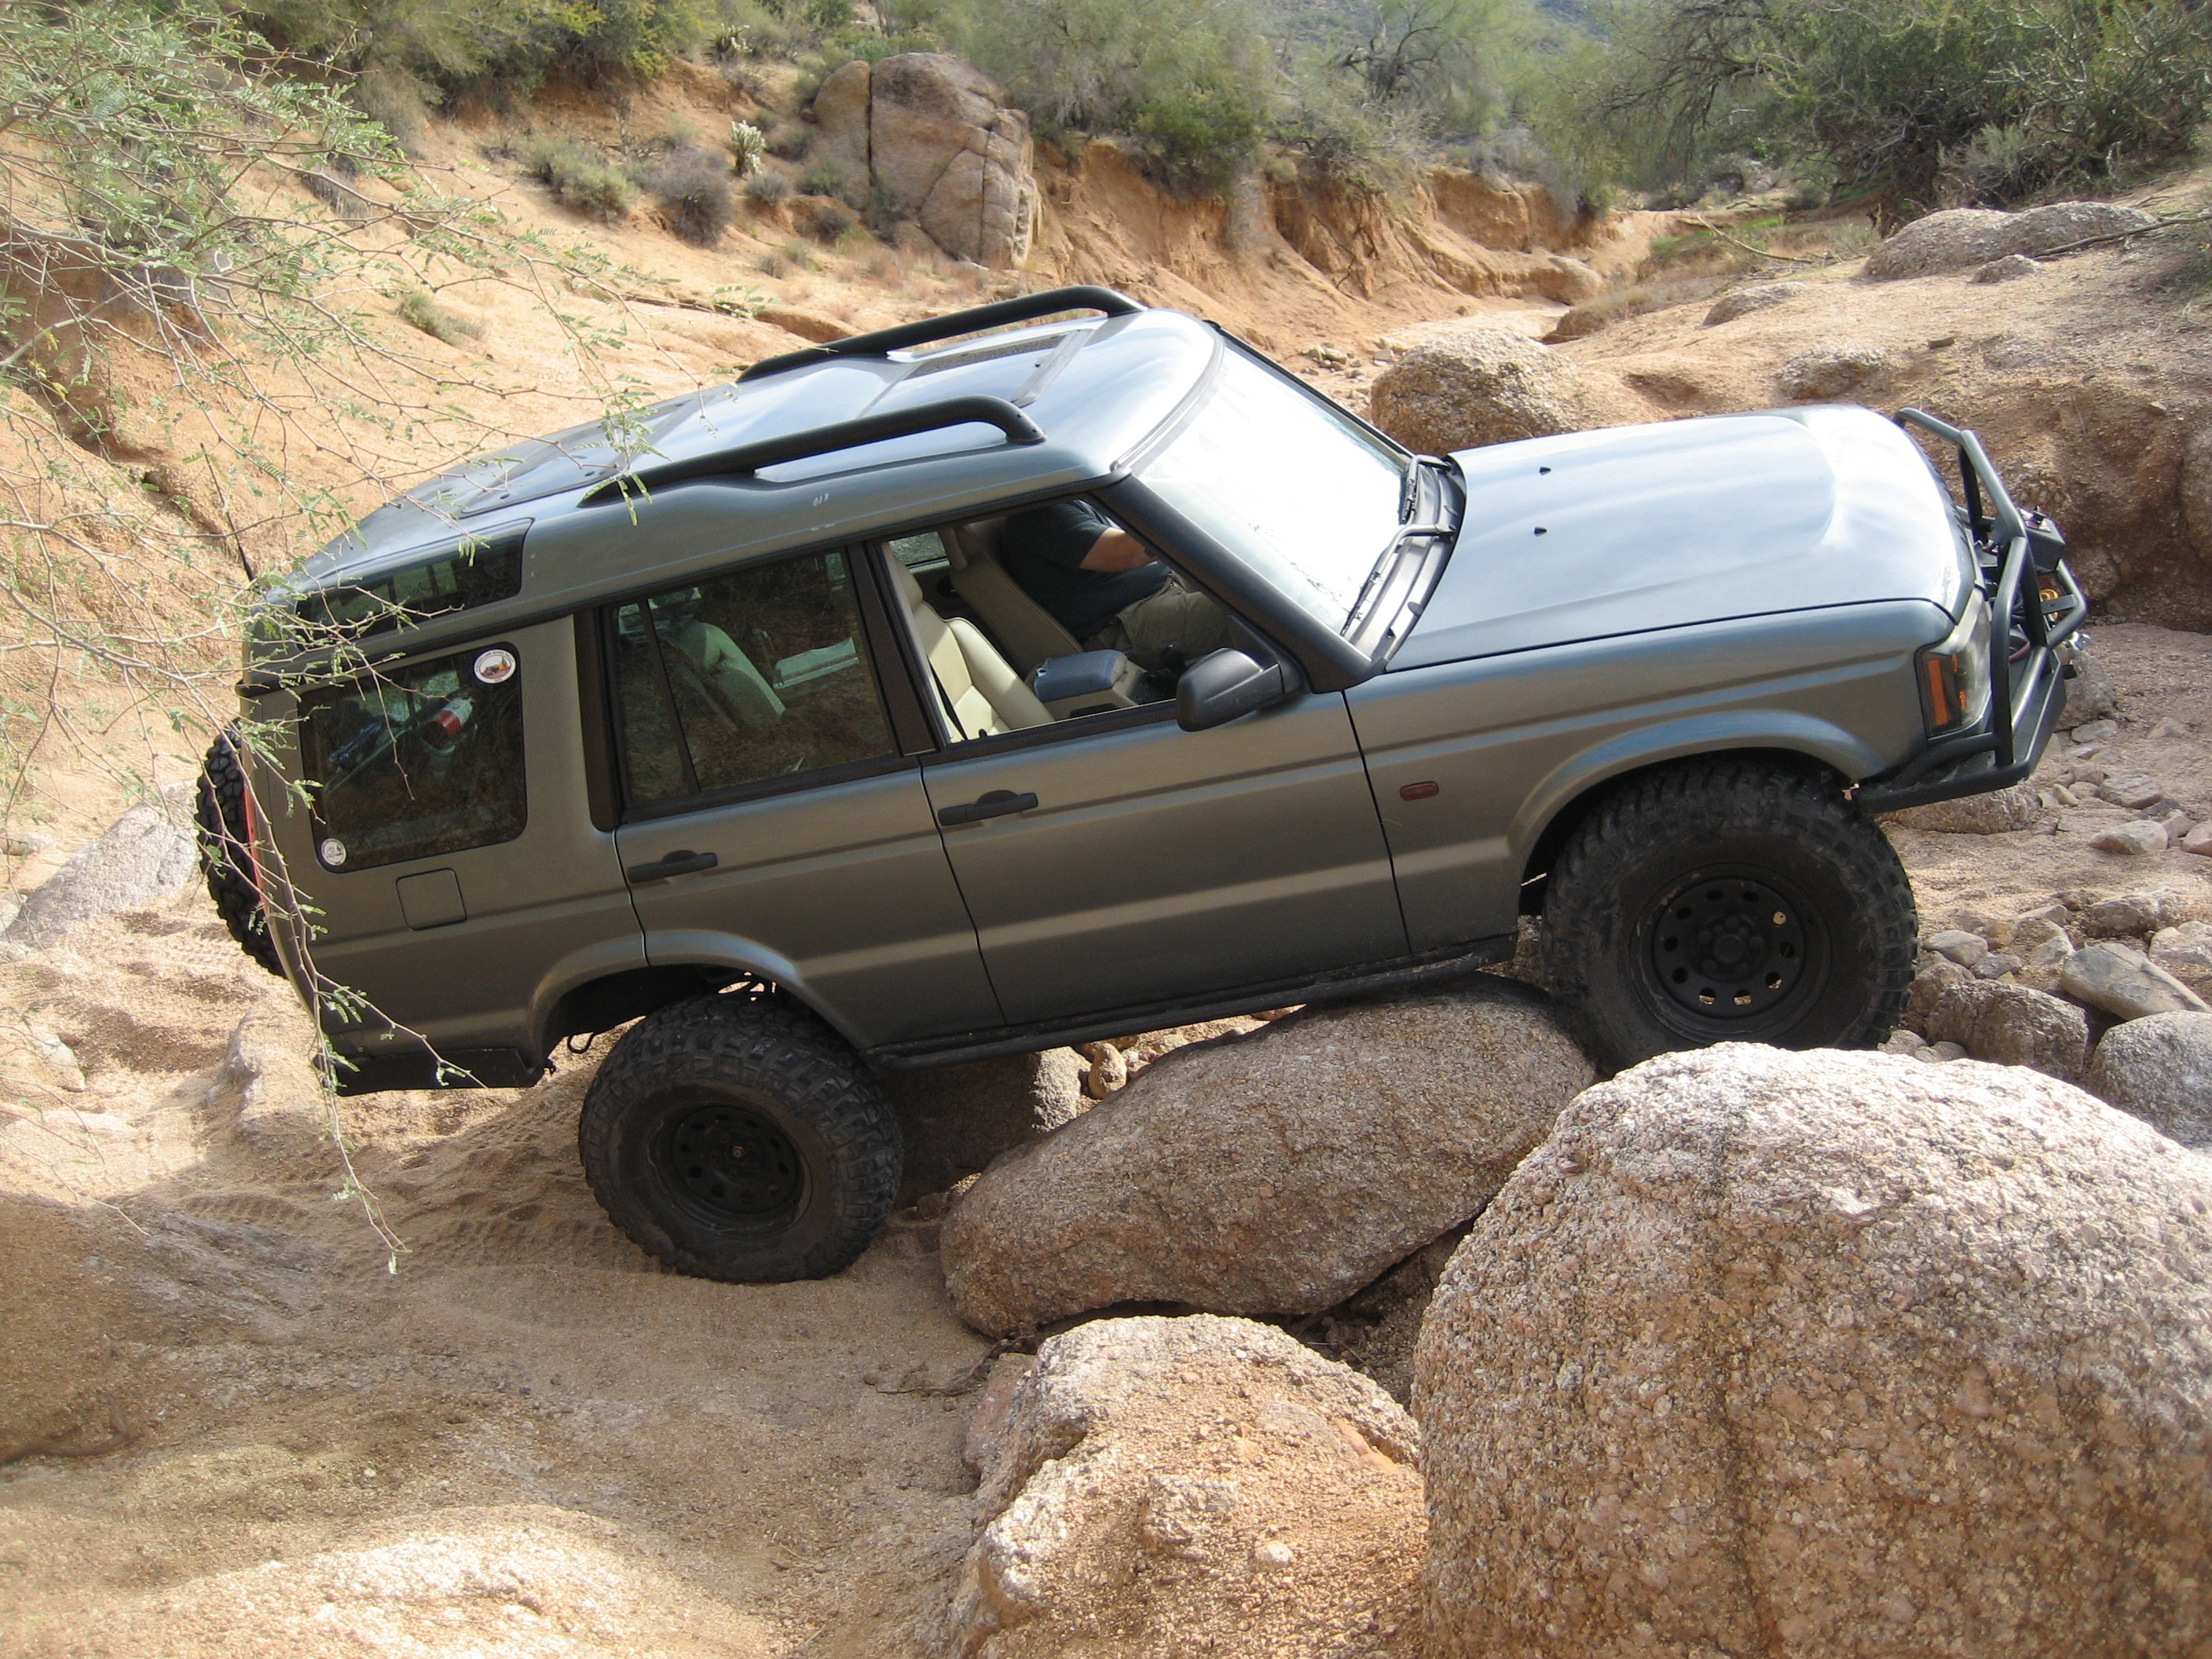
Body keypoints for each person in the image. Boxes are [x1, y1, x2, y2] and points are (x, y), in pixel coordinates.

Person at [997, 498, 1231, 672]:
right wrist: (1192, 508)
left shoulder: (1075, 496)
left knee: (1237, 577)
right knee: (1237, 608)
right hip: (1126, 622)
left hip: (1160, 591)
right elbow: (1127, 554)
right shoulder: (1040, 514)